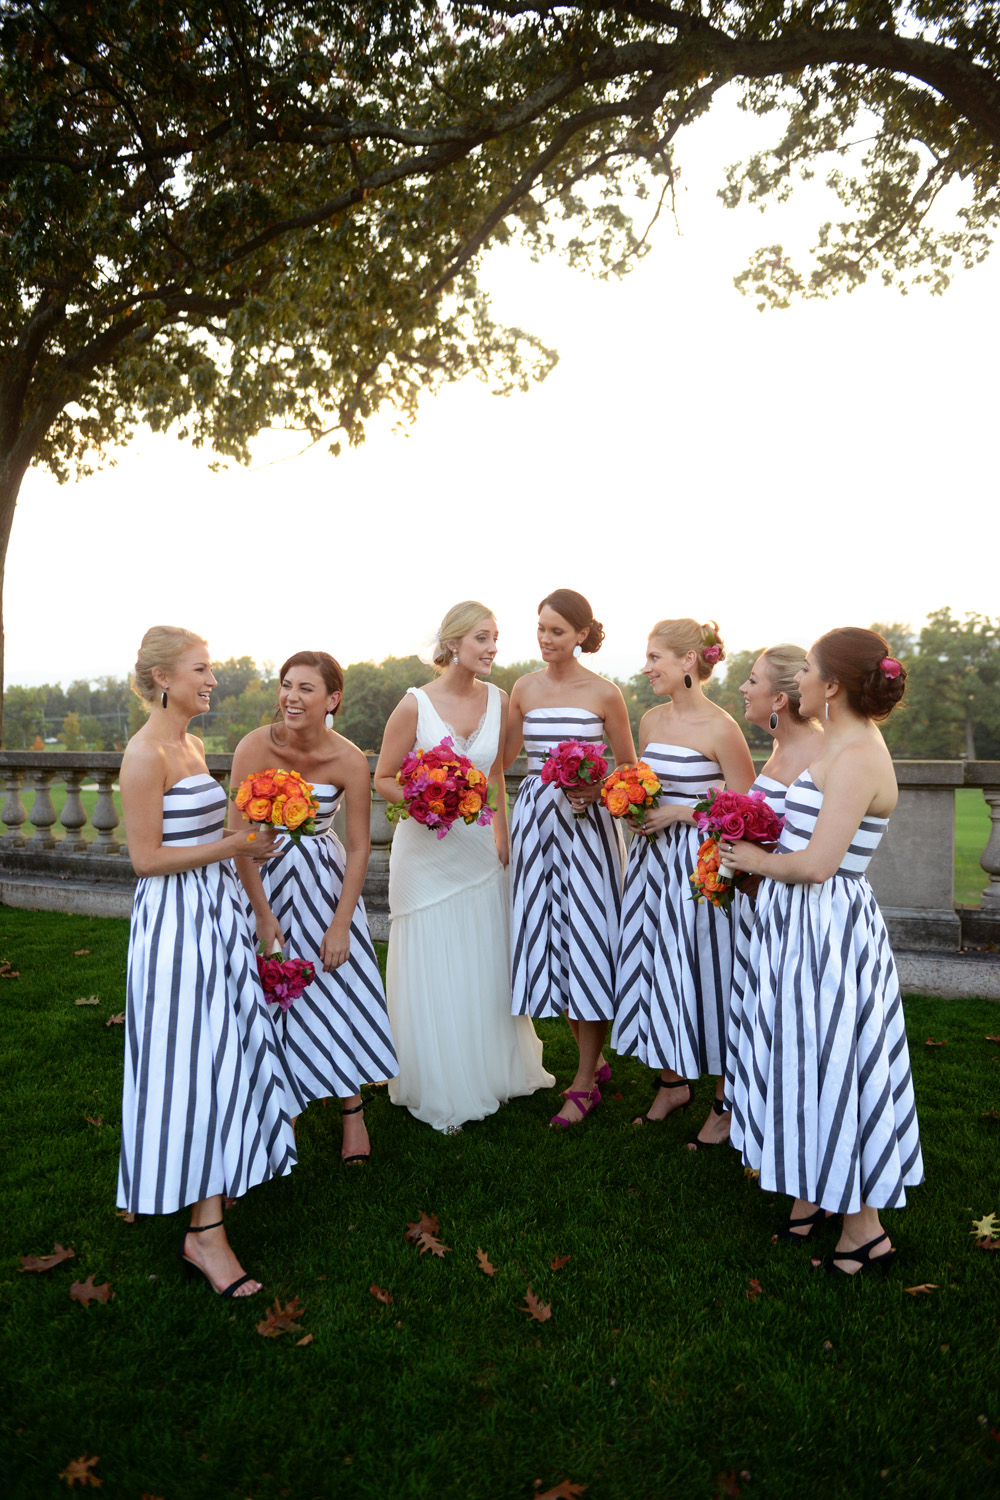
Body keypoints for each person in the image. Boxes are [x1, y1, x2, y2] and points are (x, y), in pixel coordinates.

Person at [721, 628, 923, 1275]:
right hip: (797, 926)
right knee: (798, 1058)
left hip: (827, 930)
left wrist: (753, 858)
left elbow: (819, 865)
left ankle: (865, 1233)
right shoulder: (839, 739)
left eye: (807, 669)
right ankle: (810, 1196)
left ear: (832, 684)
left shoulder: (860, 753)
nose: (799, 680)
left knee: (833, 1062)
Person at [118, 627, 300, 1298]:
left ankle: (199, 1204)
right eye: (201, 670)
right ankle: (205, 1235)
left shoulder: (190, 744)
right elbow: (145, 860)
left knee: (222, 1058)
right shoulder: (144, 755)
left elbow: (206, 836)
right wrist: (233, 848)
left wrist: (249, 847)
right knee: (195, 1066)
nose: (212, 680)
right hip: (174, 928)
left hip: (215, 915)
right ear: (163, 678)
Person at [375, 602, 553, 1133]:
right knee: (432, 955)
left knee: (481, 955)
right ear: (453, 643)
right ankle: (437, 1079)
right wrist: (425, 801)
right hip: (424, 852)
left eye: (496, 638)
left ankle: (490, 1069)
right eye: (482, 638)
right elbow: (383, 777)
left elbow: (496, 774)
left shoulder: (501, 701)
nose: (493, 648)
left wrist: (502, 833)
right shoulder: (414, 705)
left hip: (479, 849)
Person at [229, 651, 398, 1164]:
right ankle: (279, 1111)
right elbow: (238, 836)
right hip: (261, 878)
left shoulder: (348, 758)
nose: (291, 698)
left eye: (305, 688)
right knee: (266, 990)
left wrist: (343, 922)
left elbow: (359, 847)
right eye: (286, 685)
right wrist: (261, 913)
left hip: (324, 884)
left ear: (332, 699)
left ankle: (353, 1111)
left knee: (335, 987)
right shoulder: (254, 745)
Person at [610, 619, 754, 1147]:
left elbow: (748, 808)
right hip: (650, 865)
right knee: (656, 966)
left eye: (655, 658)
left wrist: (678, 812)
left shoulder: (721, 728)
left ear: (688, 661)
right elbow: (647, 783)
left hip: (701, 869)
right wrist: (636, 806)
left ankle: (724, 1102)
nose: (646, 668)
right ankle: (672, 1084)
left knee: (709, 972)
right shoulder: (650, 720)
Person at [505, 588, 636, 1127]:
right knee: (548, 940)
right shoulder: (523, 688)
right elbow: (500, 761)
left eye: (557, 630)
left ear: (581, 635)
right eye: (540, 627)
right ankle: (594, 1060)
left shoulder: (606, 694)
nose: (545, 638)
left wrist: (598, 783)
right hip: (536, 821)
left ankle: (583, 1084)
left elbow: (630, 771)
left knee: (588, 938)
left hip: (589, 826)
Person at [724, 643, 824, 1180]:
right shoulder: (779, 749)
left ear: (780, 699)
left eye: (753, 680)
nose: (744, 687)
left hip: (800, 918)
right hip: (763, 910)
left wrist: (755, 863)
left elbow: (816, 848)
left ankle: (800, 1148)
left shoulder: (818, 756)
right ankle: (755, 1122)